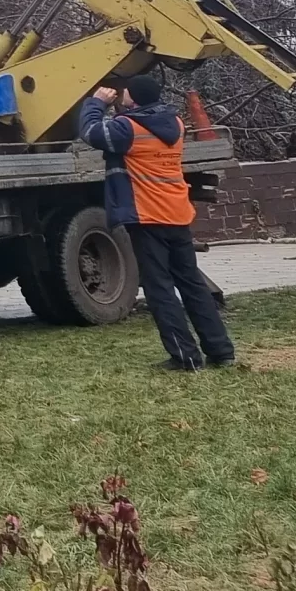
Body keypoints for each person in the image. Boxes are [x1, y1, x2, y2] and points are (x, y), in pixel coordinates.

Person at [79, 74, 235, 371]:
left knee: (159, 288)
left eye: (126, 95)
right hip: (176, 214)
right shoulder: (174, 123)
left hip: (147, 216)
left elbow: (90, 132)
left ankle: (185, 357)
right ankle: (221, 351)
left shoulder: (128, 128)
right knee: (191, 284)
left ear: (134, 100)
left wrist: (96, 103)